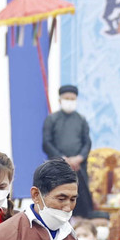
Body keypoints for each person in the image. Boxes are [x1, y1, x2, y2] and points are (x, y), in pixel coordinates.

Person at [43, 85, 93, 218]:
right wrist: (63, 159)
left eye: (72, 99)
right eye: (67, 98)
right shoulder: (51, 119)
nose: (69, 101)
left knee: (80, 201)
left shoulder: (81, 119)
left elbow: (87, 142)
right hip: (57, 167)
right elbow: (46, 143)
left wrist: (79, 158)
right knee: (58, 198)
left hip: (79, 168)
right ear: (60, 100)